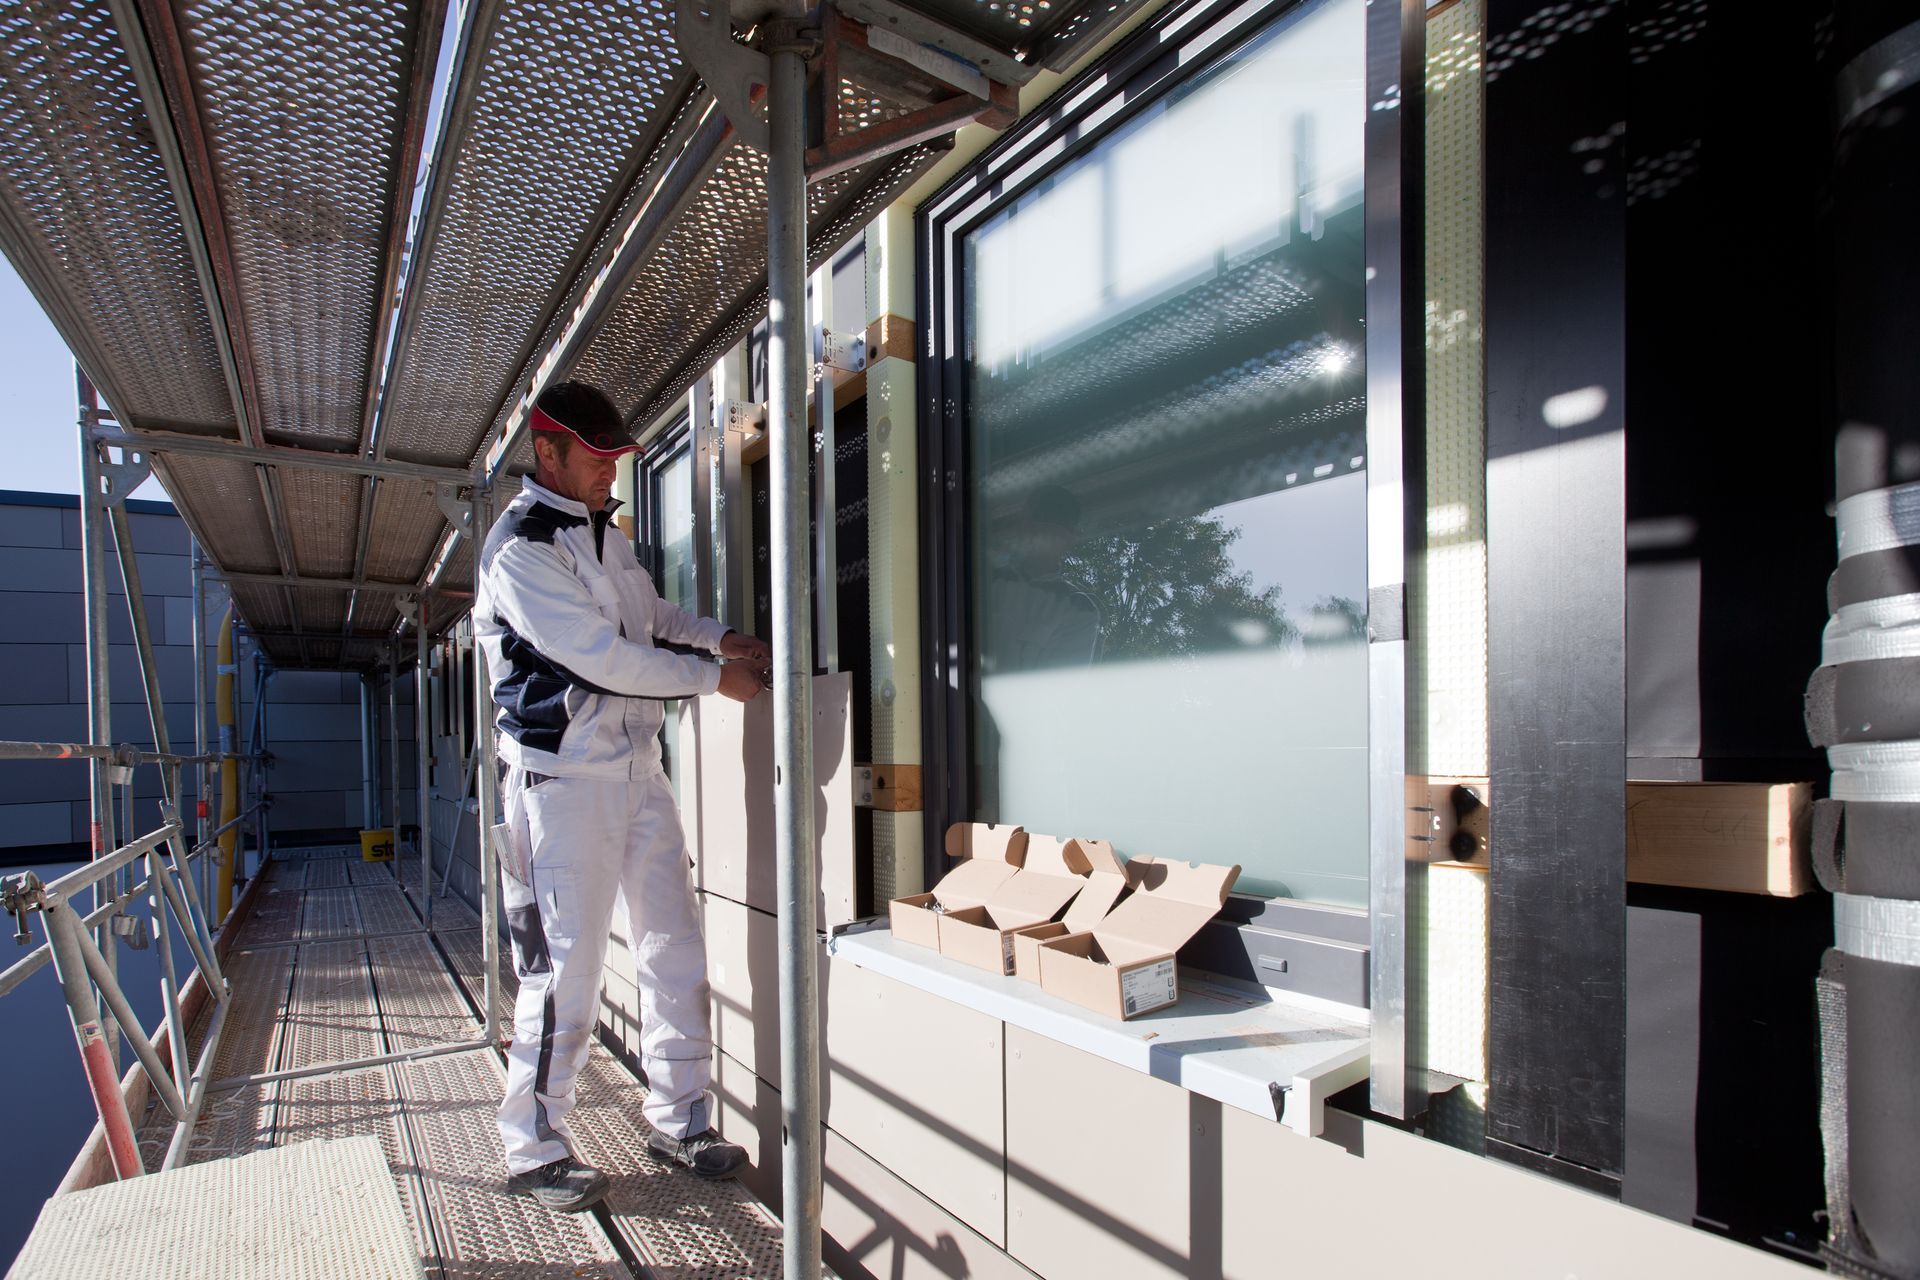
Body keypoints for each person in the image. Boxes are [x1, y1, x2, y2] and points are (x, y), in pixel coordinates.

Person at [475, 380, 771, 1213]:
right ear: (550, 455)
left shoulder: (602, 536)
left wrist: (717, 637)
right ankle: (533, 1149)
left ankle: (679, 1120)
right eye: (598, 461)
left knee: (673, 942)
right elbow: (600, 657)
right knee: (563, 967)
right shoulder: (519, 550)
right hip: (562, 783)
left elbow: (649, 618)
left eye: (616, 461)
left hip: (636, 768)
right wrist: (715, 679)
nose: (612, 475)